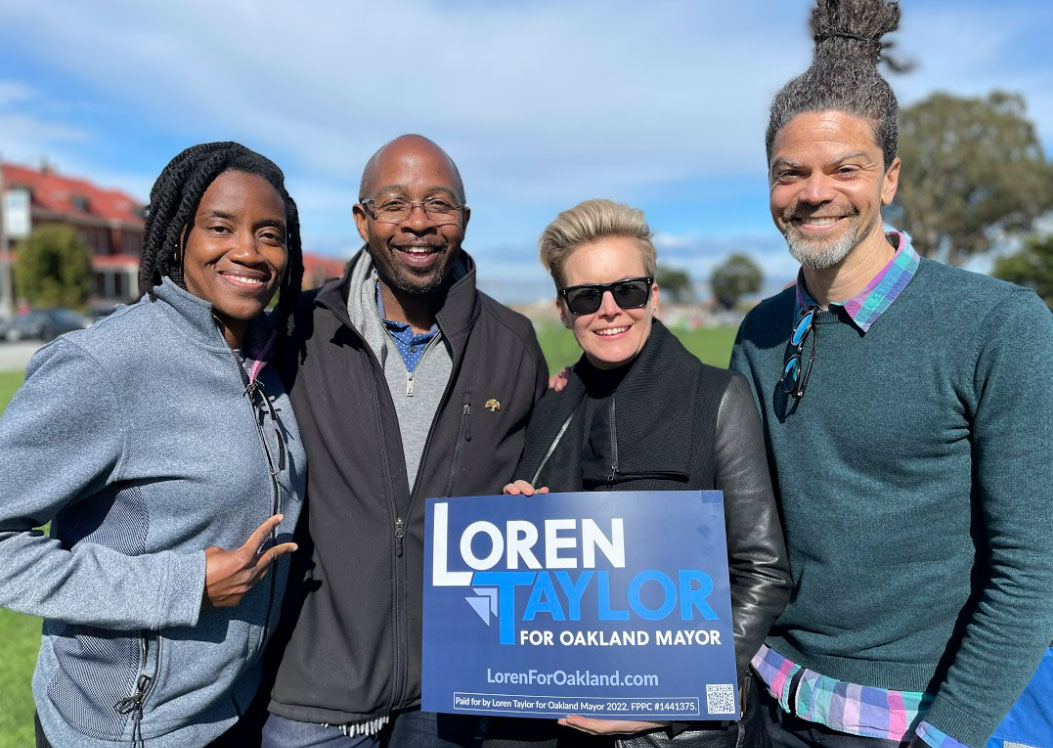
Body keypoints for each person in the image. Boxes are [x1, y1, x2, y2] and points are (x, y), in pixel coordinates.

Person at [728, 2, 1053, 747]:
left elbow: (1030, 570)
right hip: (770, 709)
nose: (814, 192)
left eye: (845, 168)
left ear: (889, 176)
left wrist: (945, 736)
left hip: (916, 724)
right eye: (790, 173)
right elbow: (726, 511)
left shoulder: (997, 326)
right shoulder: (757, 335)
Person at [0, 141, 307, 748]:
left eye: (269, 234)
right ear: (177, 236)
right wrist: (182, 585)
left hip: (234, 713)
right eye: (221, 227)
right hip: (124, 732)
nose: (248, 249)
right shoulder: (106, 365)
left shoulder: (266, 361)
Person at [262, 134, 549, 748]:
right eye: (395, 204)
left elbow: (538, 489)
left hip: (456, 689)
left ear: (464, 221)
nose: (418, 223)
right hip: (318, 689)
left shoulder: (513, 341)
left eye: (438, 205)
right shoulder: (298, 331)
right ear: (362, 220)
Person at [485, 199, 791, 748]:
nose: (608, 310)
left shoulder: (717, 398)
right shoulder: (551, 407)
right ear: (563, 309)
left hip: (682, 734)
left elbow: (763, 573)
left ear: (652, 294)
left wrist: (668, 695)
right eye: (585, 297)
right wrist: (519, 531)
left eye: (626, 290)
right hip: (565, 724)